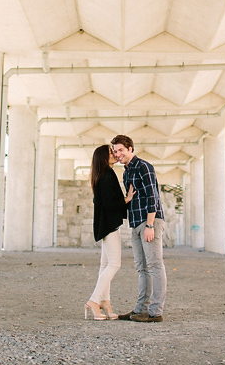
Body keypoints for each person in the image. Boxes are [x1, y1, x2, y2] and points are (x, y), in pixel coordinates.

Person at [110, 134, 167, 323]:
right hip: (135, 223)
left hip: (149, 222)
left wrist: (150, 225)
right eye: (115, 151)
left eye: (121, 150)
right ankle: (140, 309)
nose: (118, 154)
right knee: (141, 268)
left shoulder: (144, 167)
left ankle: (155, 312)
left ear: (130, 149)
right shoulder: (126, 172)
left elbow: (153, 196)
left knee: (155, 265)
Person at [85, 144, 135, 320]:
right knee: (114, 264)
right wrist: (127, 199)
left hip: (105, 224)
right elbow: (110, 204)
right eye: (111, 153)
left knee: (105, 265)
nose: (115, 154)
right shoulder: (106, 175)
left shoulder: (104, 174)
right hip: (108, 224)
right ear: (103, 158)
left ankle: (105, 301)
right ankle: (94, 301)